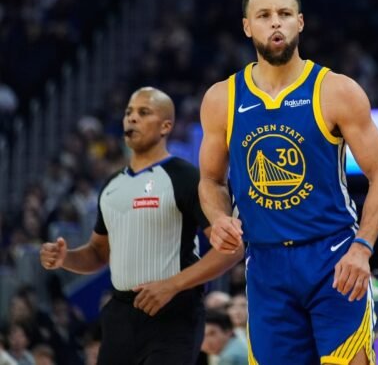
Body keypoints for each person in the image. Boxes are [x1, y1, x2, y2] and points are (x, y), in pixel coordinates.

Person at [199, 0, 378, 365]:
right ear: (247, 27)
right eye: (264, 15)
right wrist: (218, 217)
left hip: (333, 257)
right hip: (265, 263)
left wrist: (363, 247)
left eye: (285, 14)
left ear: (300, 22)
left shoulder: (336, 90)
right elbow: (210, 180)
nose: (276, 22)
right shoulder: (222, 98)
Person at [40, 87, 243, 365]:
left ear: (166, 126)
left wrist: (172, 285)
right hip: (120, 314)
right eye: (128, 113)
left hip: (174, 312)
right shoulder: (112, 185)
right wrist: (66, 258)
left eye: (143, 112)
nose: (132, 118)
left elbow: (231, 249)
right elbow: (98, 253)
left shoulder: (185, 177)